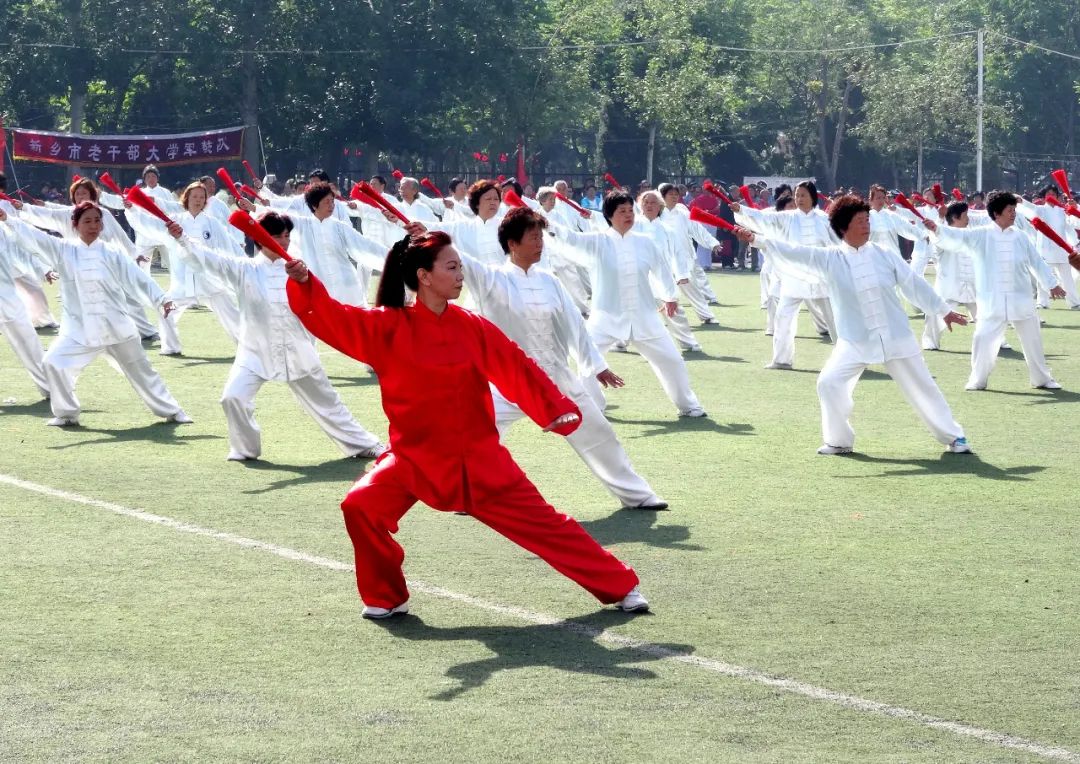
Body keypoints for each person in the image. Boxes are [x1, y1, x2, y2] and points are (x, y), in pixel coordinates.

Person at [284, 230, 648, 618]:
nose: (461, 275)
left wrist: (552, 407)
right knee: (360, 507)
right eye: (452, 267)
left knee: (548, 527)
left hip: (478, 460)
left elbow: (516, 364)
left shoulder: (471, 326)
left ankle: (622, 585)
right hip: (414, 459)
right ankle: (386, 596)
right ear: (424, 276)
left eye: (461, 267)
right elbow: (333, 318)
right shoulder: (386, 327)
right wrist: (306, 283)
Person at [409, 207, 667, 510]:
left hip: (556, 378)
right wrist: (425, 234)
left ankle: (637, 495)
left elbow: (575, 326)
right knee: (473, 434)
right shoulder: (492, 278)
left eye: (541, 236)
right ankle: (465, 495)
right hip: (507, 380)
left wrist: (597, 366)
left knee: (599, 434)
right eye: (532, 237)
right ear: (512, 244)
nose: (540, 242)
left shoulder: (550, 281)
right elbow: (460, 258)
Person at [734, 195, 971, 455]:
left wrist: (943, 310)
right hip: (855, 340)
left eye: (867, 219)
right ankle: (839, 441)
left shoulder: (885, 255)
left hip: (895, 336)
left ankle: (955, 437)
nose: (867, 225)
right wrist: (756, 239)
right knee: (829, 383)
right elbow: (794, 253)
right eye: (860, 221)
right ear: (843, 227)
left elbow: (914, 284)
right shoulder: (830, 258)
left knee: (924, 387)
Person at [167, 211, 384, 461]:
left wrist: (304, 279)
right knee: (232, 397)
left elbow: (319, 300)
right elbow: (209, 259)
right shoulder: (244, 268)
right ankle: (245, 449)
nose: (284, 241)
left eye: (287, 235)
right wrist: (182, 238)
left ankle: (364, 444)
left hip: (297, 347)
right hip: (255, 350)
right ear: (260, 239)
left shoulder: (299, 268)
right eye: (277, 236)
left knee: (328, 403)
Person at [0, 202, 191, 427]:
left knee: (143, 372)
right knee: (53, 362)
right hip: (79, 331)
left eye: (97, 221)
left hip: (117, 327)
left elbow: (138, 279)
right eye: (87, 221)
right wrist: (8, 220)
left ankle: (173, 411)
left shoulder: (113, 253)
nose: (93, 226)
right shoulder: (63, 249)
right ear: (75, 225)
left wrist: (162, 299)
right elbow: (35, 237)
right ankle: (66, 413)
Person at [549, 190, 707, 418]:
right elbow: (570, 238)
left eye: (630, 210)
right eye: (621, 211)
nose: (628, 215)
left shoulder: (646, 243)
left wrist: (670, 296)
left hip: (644, 317)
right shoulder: (597, 241)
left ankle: (689, 406)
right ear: (609, 215)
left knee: (672, 361)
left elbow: (662, 270)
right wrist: (546, 225)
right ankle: (594, 407)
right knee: (586, 359)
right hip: (605, 317)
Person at [925, 190, 1068, 391]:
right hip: (992, 301)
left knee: (1033, 341)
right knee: (983, 339)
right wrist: (937, 230)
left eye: (1014, 209)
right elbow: (958, 236)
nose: (1013, 213)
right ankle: (978, 379)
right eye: (1010, 210)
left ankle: (1042, 379)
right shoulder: (980, 235)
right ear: (997, 213)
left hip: (1021, 299)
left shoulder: (1021, 237)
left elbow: (1036, 261)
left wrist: (1052, 284)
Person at [732, 180, 837, 370]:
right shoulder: (788, 217)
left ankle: (848, 357)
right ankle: (782, 359)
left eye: (803, 195)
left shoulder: (825, 219)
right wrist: (741, 210)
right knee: (783, 316)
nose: (799, 198)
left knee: (834, 319)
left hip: (821, 276)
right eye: (797, 195)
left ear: (813, 196)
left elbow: (838, 243)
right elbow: (764, 220)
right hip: (794, 276)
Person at [158, 181, 243, 355]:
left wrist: (243, 265)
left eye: (202, 197)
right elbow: (151, 223)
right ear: (186, 198)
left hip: (209, 280)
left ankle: (248, 347)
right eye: (194, 196)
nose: (198, 200)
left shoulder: (213, 224)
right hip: (183, 281)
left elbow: (229, 246)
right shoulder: (175, 222)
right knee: (165, 310)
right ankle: (171, 347)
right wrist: (132, 209)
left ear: (206, 200)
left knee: (232, 315)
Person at [0, 210, 51, 398]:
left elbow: (21, 252)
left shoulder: (2, 230)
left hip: (7, 297)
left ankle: (51, 387)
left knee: (29, 341)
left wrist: (43, 269)